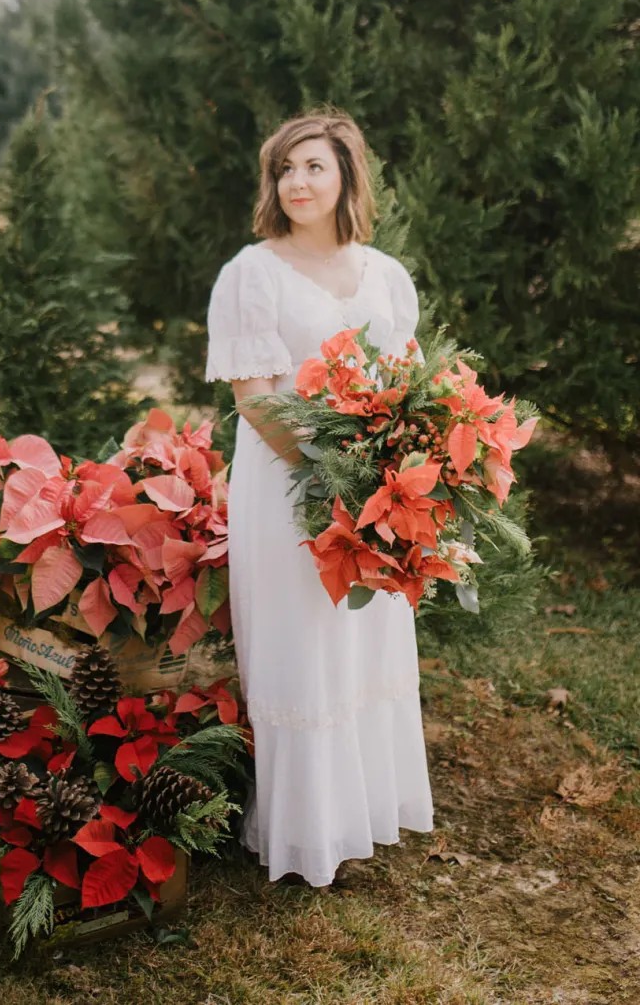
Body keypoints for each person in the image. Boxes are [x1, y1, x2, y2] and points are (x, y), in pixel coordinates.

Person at [205, 108, 434, 887]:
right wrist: (329, 476)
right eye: (284, 169)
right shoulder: (252, 273)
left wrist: (386, 483)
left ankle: (359, 810)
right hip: (288, 491)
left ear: (346, 176)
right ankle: (302, 834)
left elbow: (406, 390)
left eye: (314, 167)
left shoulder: (387, 275)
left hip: (378, 494)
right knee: (302, 647)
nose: (297, 182)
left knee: (362, 641)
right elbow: (256, 397)